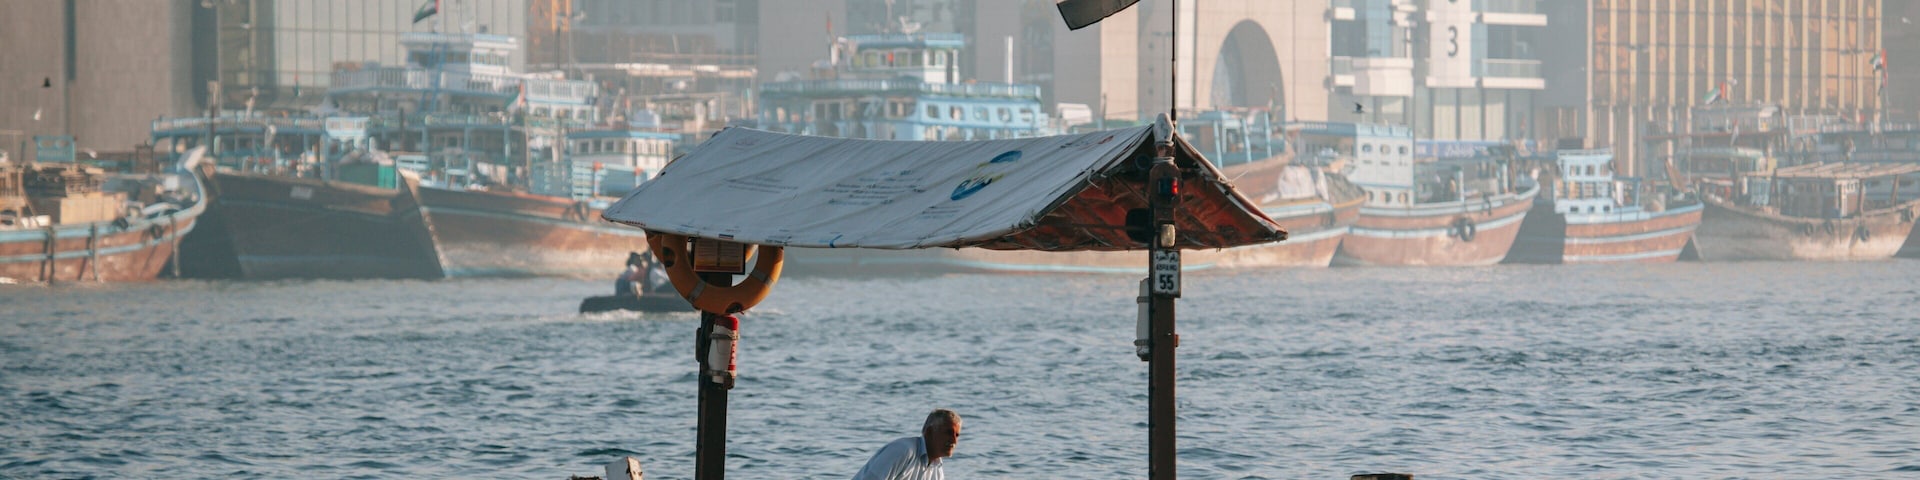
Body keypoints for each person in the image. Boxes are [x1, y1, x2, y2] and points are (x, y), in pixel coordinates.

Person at [852, 409, 962, 480]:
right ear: (929, 432)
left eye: (957, 435)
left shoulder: (937, 469)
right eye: (948, 433)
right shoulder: (903, 450)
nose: (954, 440)